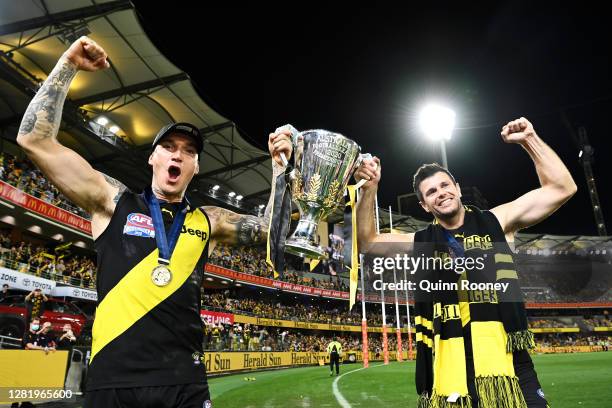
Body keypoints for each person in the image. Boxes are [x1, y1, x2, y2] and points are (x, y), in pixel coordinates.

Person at [16, 36, 292, 408]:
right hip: (114, 379)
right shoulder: (113, 201)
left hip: (184, 382)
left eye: (189, 152)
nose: (179, 155)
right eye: (170, 147)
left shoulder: (208, 220)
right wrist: (68, 63)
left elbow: (271, 230)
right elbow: (34, 140)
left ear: (195, 167)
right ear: (153, 158)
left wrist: (279, 169)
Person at [355, 117, 576, 407]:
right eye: (431, 192)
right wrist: (369, 188)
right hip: (452, 369)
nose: (441, 193)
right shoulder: (421, 243)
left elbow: (563, 188)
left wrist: (530, 140)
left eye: (445, 185)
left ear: (457, 188)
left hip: (509, 362)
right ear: (424, 205)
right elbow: (367, 242)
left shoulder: (498, 221)